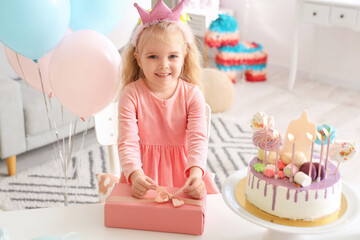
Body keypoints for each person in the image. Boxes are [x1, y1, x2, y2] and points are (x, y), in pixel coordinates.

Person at [118, 0, 218, 200]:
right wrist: (135, 175)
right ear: (138, 59)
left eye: (172, 56)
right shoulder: (131, 95)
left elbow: (198, 139)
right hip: (143, 175)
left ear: (184, 56)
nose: (163, 65)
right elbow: (127, 142)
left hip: (186, 174)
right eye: (153, 57)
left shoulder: (192, 95)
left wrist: (196, 175)